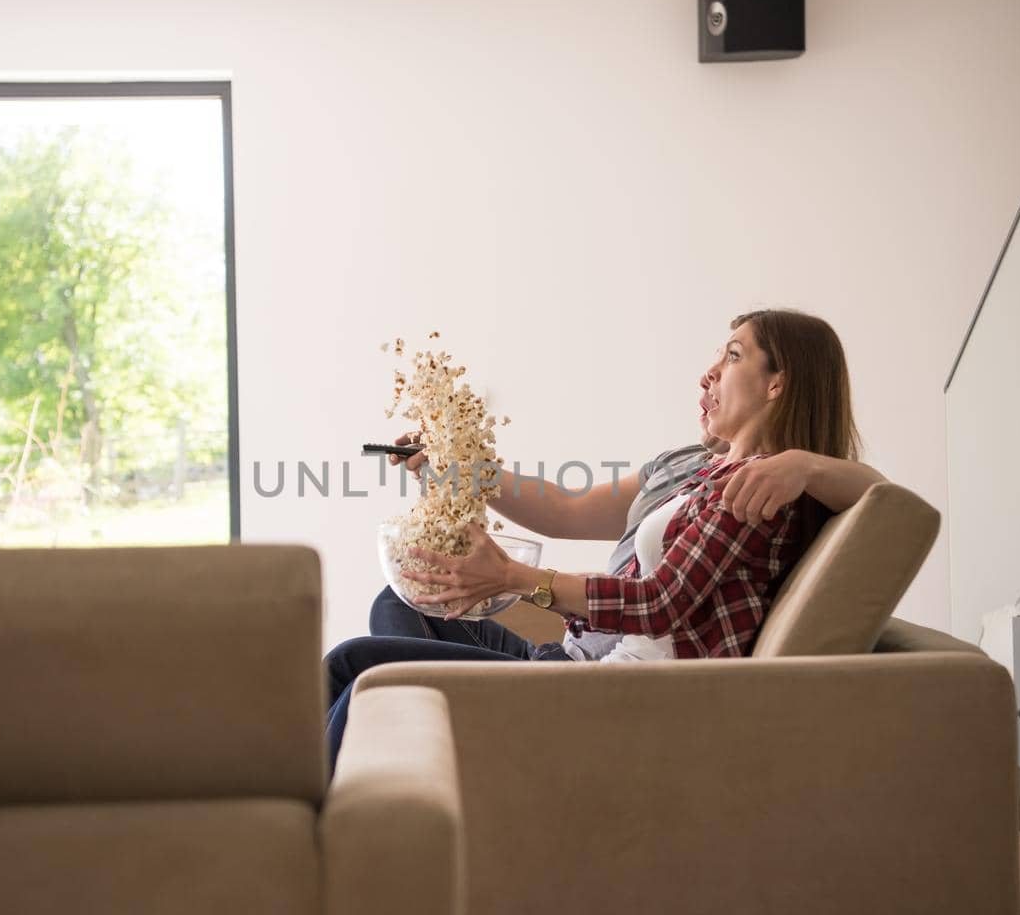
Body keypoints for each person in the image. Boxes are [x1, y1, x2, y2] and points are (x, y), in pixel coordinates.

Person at [325, 309, 883, 769]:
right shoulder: (696, 470)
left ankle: (338, 837)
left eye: (732, 356)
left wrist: (802, 465)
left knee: (359, 670)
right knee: (398, 612)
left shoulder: (759, 488)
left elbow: (887, 503)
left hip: (606, 686)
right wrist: (450, 467)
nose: (707, 374)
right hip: (575, 653)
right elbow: (567, 508)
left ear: (777, 384)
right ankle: (420, 785)